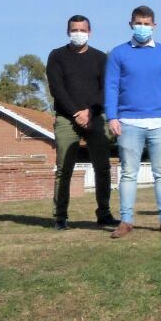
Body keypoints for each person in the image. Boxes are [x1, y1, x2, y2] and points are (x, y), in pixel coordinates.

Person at [104, 5, 161, 237]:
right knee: (128, 173)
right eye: (138, 23)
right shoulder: (118, 54)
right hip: (128, 121)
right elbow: (111, 87)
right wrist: (112, 116)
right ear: (130, 24)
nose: (142, 28)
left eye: (146, 24)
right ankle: (126, 221)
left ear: (154, 26)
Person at [46, 14, 116, 230]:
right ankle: (60, 217)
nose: (78, 34)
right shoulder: (57, 56)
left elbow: (106, 89)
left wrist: (90, 112)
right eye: (74, 30)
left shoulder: (101, 58)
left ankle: (104, 214)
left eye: (82, 30)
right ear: (68, 32)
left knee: (102, 168)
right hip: (67, 119)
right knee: (63, 169)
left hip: (96, 117)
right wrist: (77, 113)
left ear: (90, 32)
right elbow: (56, 88)